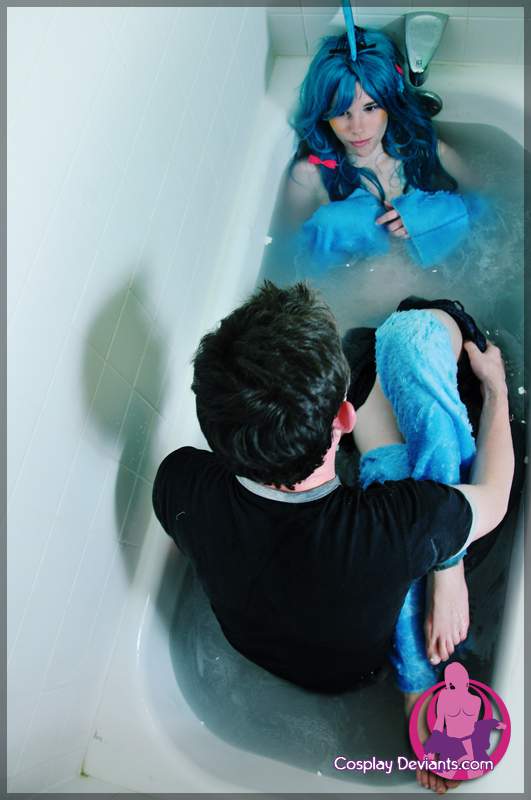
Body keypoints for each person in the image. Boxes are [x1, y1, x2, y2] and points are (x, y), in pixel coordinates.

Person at [152, 282, 513, 794]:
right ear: (344, 417)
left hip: (270, 653)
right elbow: (495, 496)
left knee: (367, 353)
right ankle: (416, 688)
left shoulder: (180, 481)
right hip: (359, 664)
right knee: (420, 322)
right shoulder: (393, 526)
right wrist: (496, 389)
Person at [279, 28, 482, 272]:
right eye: (342, 112)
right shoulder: (309, 176)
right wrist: (340, 226)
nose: (357, 128)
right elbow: (293, 253)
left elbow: (488, 209)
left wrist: (427, 218)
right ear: (324, 113)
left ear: (390, 103)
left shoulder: (431, 153)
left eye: (370, 107)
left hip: (442, 283)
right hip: (347, 292)